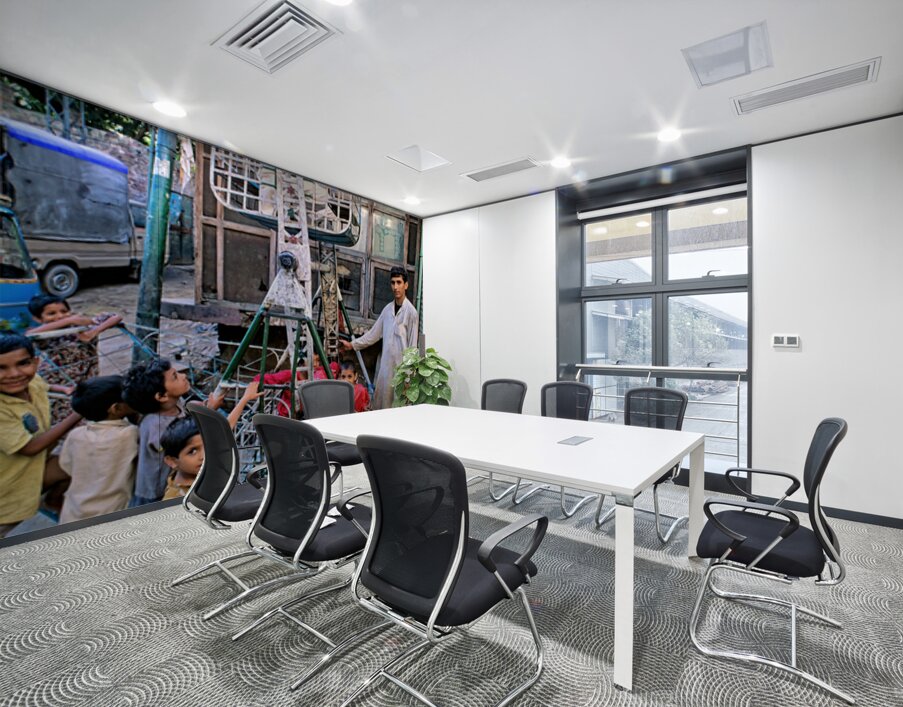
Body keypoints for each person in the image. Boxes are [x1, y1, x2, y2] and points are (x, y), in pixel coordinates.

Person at [0, 332, 82, 538]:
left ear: (36, 362)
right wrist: (78, 413)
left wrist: (62, 388)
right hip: (6, 491)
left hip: (32, 472)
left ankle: (53, 500)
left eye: (23, 363)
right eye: (1, 368)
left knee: (79, 461)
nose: (14, 374)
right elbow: (30, 448)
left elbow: (42, 385)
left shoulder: (32, 381)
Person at [27, 293, 123, 424]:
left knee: (89, 411)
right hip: (60, 381)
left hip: (87, 377)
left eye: (64, 311)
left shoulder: (81, 326)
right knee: (64, 414)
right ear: (38, 318)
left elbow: (116, 317)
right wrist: (69, 320)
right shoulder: (45, 333)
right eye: (51, 313)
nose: (59, 316)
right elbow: (29, 335)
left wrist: (93, 331)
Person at [159, 382, 261, 500]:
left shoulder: (194, 472)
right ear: (172, 461)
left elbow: (225, 428)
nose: (204, 456)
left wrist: (245, 398)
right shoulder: (173, 498)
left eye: (207, 446)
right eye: (192, 451)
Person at [58, 375, 138, 524]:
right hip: (110, 515)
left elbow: (67, 466)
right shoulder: (129, 434)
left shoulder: (76, 435)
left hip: (73, 513)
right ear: (116, 408)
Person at [340, 266, 418, 409]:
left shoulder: (411, 313)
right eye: (393, 282)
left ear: (406, 285)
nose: (396, 287)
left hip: (401, 370)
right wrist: (352, 345)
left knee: (399, 406)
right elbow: (373, 334)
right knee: (382, 405)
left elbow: (412, 348)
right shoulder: (387, 310)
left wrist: (409, 378)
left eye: (399, 282)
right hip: (386, 367)